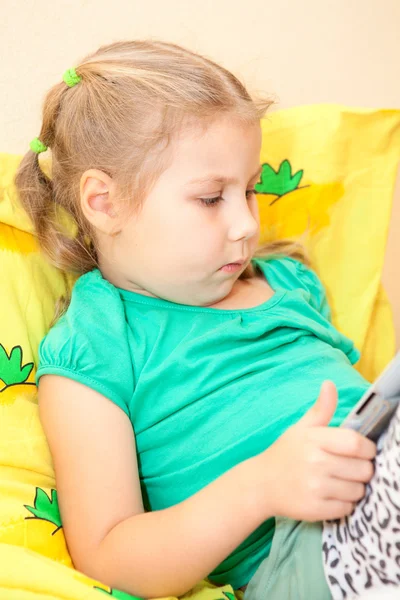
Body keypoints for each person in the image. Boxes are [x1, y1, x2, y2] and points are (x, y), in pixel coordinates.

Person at [14, 39, 397, 600]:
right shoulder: (99, 342)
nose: (245, 224)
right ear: (104, 203)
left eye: (249, 190)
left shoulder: (288, 284)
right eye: (211, 198)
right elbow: (108, 556)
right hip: (298, 557)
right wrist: (262, 487)